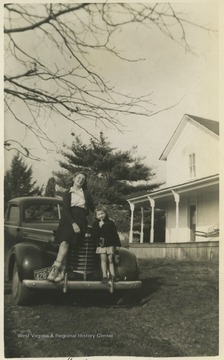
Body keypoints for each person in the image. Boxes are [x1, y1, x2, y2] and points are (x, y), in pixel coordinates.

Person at [47, 172, 94, 282]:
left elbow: (93, 207)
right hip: (68, 220)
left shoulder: (86, 193)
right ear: (74, 179)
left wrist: (103, 219)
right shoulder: (67, 193)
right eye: (79, 178)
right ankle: (56, 269)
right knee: (64, 243)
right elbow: (66, 210)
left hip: (81, 220)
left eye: (83, 179)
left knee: (68, 246)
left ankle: (61, 273)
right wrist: (73, 224)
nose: (81, 180)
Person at [92, 205, 121, 284]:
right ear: (96, 216)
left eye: (102, 213)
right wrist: (99, 227)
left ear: (105, 213)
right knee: (103, 259)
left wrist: (117, 245)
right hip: (101, 245)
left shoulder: (111, 223)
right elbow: (95, 235)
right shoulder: (95, 224)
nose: (101, 215)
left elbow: (115, 234)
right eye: (99, 214)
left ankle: (113, 276)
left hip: (110, 244)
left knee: (111, 259)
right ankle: (104, 276)